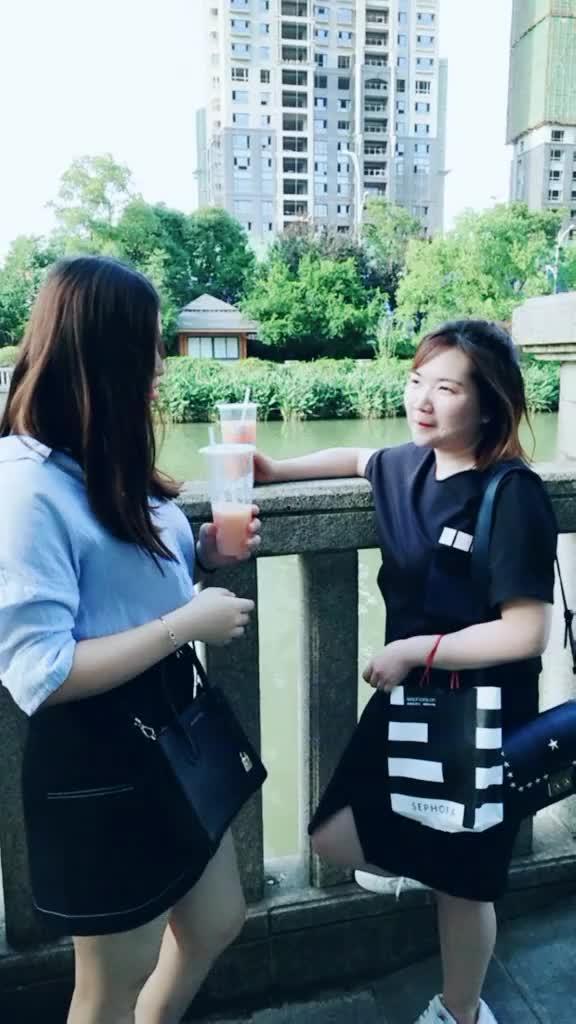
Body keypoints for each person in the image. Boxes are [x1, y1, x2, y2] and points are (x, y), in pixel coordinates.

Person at [254, 320, 557, 1024]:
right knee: (334, 835)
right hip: (409, 702)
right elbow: (357, 456)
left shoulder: (510, 493)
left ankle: (460, 1011)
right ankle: (438, 861)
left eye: (447, 388)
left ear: (489, 405)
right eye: (417, 380)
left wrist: (415, 651)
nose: (422, 399)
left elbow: (525, 631)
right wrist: (274, 470)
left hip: (480, 713)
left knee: (465, 885)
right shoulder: (406, 466)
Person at [0, 256, 261, 1024]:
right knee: (111, 981)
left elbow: (121, 575)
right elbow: (40, 672)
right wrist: (186, 623)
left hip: (173, 729)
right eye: (147, 348)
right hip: (101, 754)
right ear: (100, 355)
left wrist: (201, 552)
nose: (160, 366)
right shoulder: (26, 487)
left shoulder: (102, 451)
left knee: (216, 919)